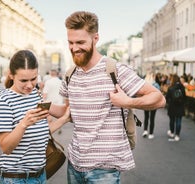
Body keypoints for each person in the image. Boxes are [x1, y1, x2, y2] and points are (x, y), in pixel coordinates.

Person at [59, 11, 165, 184]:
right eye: (70, 42)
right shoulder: (70, 74)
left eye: (80, 42)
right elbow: (68, 112)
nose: (74, 48)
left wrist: (128, 102)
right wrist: (40, 107)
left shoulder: (116, 70)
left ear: (95, 38)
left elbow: (159, 99)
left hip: (105, 170)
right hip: (75, 163)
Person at [0, 50, 70, 184]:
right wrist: (23, 124)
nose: (29, 85)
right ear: (11, 75)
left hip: (40, 175)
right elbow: (6, 147)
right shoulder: (4, 102)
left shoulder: (35, 94)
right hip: (16, 178)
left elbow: (42, 132)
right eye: (23, 80)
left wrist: (64, 119)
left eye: (33, 79)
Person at [166, 74, 186, 142]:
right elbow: (185, 97)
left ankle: (172, 132)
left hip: (172, 106)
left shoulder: (170, 88)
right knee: (178, 121)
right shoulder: (182, 87)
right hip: (180, 107)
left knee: (172, 120)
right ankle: (177, 135)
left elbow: (167, 98)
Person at [142, 72, 161, 139]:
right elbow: (159, 94)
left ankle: (145, 131)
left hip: (146, 102)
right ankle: (151, 133)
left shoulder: (144, 84)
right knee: (152, 118)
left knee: (146, 117)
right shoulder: (156, 84)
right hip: (153, 103)